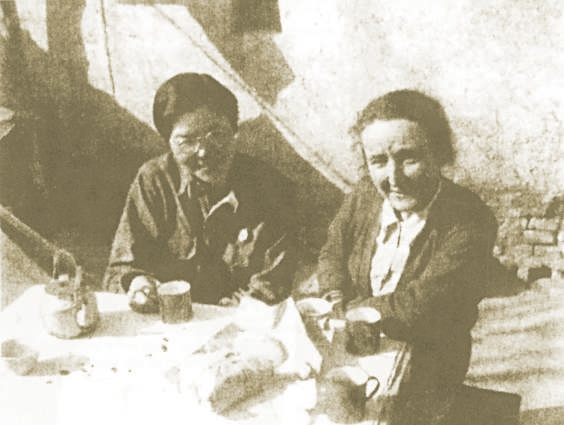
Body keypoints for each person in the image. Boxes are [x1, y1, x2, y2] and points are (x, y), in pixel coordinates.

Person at [316, 90, 498, 424]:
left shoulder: (471, 220)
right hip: (361, 343)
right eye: (378, 161)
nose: (393, 178)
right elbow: (333, 251)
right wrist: (335, 295)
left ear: (439, 154)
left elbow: (422, 305)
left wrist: (351, 313)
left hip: (428, 367)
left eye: (409, 158)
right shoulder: (363, 195)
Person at [104, 73, 297, 311]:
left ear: (234, 132)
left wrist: (246, 306)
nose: (204, 152)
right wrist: (138, 283)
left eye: (217, 135)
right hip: (169, 317)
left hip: (241, 319)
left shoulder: (269, 187)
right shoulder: (153, 180)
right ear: (168, 142)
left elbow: (276, 277)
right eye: (186, 141)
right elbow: (123, 267)